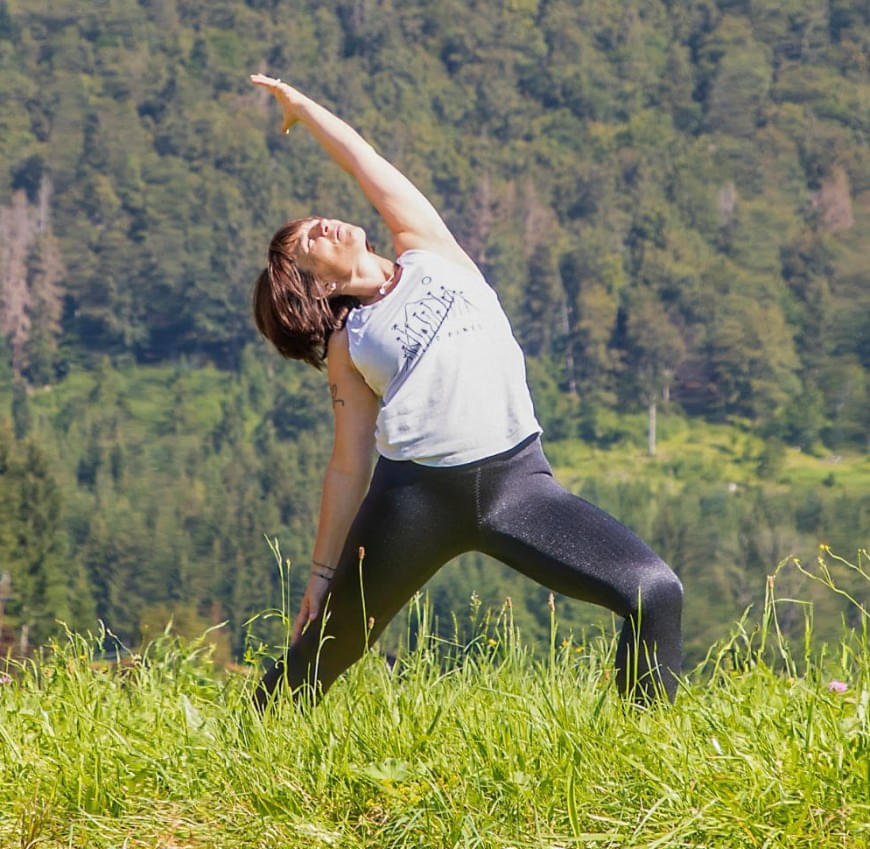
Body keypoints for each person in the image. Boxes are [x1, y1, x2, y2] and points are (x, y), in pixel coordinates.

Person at [248, 73, 683, 711]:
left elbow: (369, 166)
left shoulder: (430, 251)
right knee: (323, 655)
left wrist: (306, 109)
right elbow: (348, 464)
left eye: (314, 221)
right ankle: (247, 747)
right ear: (313, 286)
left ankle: (649, 755)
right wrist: (320, 575)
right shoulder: (351, 343)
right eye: (308, 242)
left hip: (519, 486)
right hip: (415, 501)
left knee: (655, 592)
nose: (324, 226)